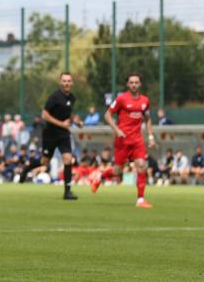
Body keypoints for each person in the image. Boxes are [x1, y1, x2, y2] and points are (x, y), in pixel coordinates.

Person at [90, 73, 156, 208]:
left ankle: (140, 199)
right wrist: (117, 130)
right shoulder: (121, 99)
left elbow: (147, 118)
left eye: (136, 82)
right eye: (131, 82)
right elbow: (107, 115)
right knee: (116, 171)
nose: (134, 85)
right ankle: (100, 177)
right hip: (123, 141)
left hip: (137, 141)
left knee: (142, 166)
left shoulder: (145, 101)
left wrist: (150, 136)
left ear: (140, 84)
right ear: (127, 84)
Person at [40, 72, 83, 200]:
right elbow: (45, 115)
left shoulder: (72, 98)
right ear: (60, 82)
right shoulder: (54, 97)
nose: (67, 83)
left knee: (68, 159)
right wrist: (61, 124)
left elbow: (68, 113)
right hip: (51, 134)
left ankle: (67, 192)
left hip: (63, 134)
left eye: (69, 81)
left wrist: (76, 120)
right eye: (64, 81)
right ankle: (27, 169)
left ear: (72, 83)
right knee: (44, 162)